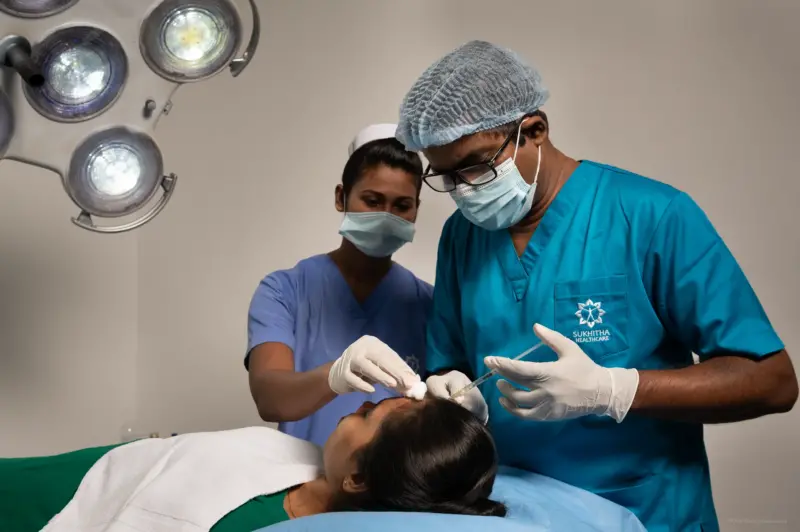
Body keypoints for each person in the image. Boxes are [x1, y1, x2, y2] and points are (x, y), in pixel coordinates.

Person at [384, 40, 798, 532]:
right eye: (447, 177)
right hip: (516, 512)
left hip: (644, 512)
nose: (464, 191)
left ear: (533, 131)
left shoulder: (651, 215)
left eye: (475, 166)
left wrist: (615, 390)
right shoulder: (462, 237)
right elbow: (450, 358)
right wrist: (453, 393)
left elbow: (771, 381)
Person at [0, 396, 507, 532]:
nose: (357, 406)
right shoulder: (301, 459)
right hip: (76, 472)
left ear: (357, 478)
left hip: (55, 512)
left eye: (369, 415)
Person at [246, 123, 434, 446]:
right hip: (299, 479)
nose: (386, 216)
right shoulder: (284, 291)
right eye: (372, 201)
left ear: (417, 209)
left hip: (393, 486)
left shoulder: (429, 304)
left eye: (402, 206)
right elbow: (269, 397)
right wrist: (333, 377)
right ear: (340, 197)